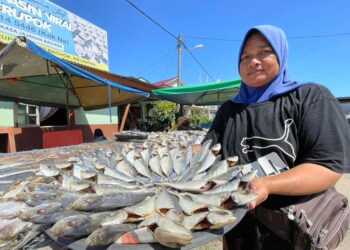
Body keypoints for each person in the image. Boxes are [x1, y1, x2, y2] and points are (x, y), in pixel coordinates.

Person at [200, 25, 350, 249]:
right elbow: (205, 153)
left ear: (281, 54)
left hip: (292, 230)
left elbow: (327, 166)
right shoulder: (229, 109)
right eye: (245, 56)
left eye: (264, 52)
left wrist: (266, 185)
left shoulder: (310, 97)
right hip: (238, 225)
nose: (254, 61)